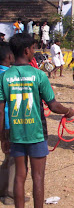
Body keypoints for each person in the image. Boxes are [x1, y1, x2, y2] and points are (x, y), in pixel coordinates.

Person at [0, 33, 74, 208]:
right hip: (36, 133)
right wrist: (68, 111)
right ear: (26, 50)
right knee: (38, 177)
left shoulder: (5, 77)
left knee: (20, 176)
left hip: (16, 134)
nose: (34, 51)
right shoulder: (39, 75)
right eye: (33, 48)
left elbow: (1, 112)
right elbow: (54, 105)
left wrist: (3, 137)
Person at [0, 42, 17, 206]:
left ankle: (3, 189)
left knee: (8, 157)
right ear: (9, 57)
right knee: (13, 158)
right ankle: (10, 194)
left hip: (4, 123)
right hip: (9, 122)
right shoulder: (9, 76)